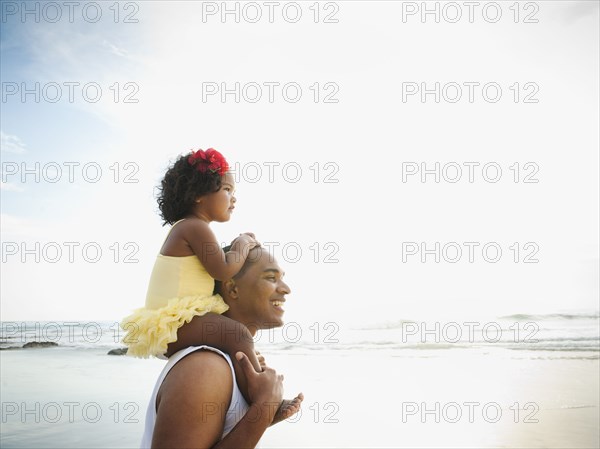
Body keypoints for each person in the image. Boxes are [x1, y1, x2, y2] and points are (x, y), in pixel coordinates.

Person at [120, 148, 277, 407]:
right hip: (173, 326)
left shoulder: (192, 228)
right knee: (237, 334)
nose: (233, 199)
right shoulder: (194, 227)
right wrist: (242, 243)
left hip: (179, 321)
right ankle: (262, 402)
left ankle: (248, 378)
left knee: (235, 337)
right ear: (198, 195)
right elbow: (224, 270)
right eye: (227, 190)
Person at [141, 245, 303, 448]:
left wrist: (260, 414)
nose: (286, 288)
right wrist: (265, 407)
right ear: (232, 288)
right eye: (271, 278)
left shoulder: (228, 365)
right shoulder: (206, 368)